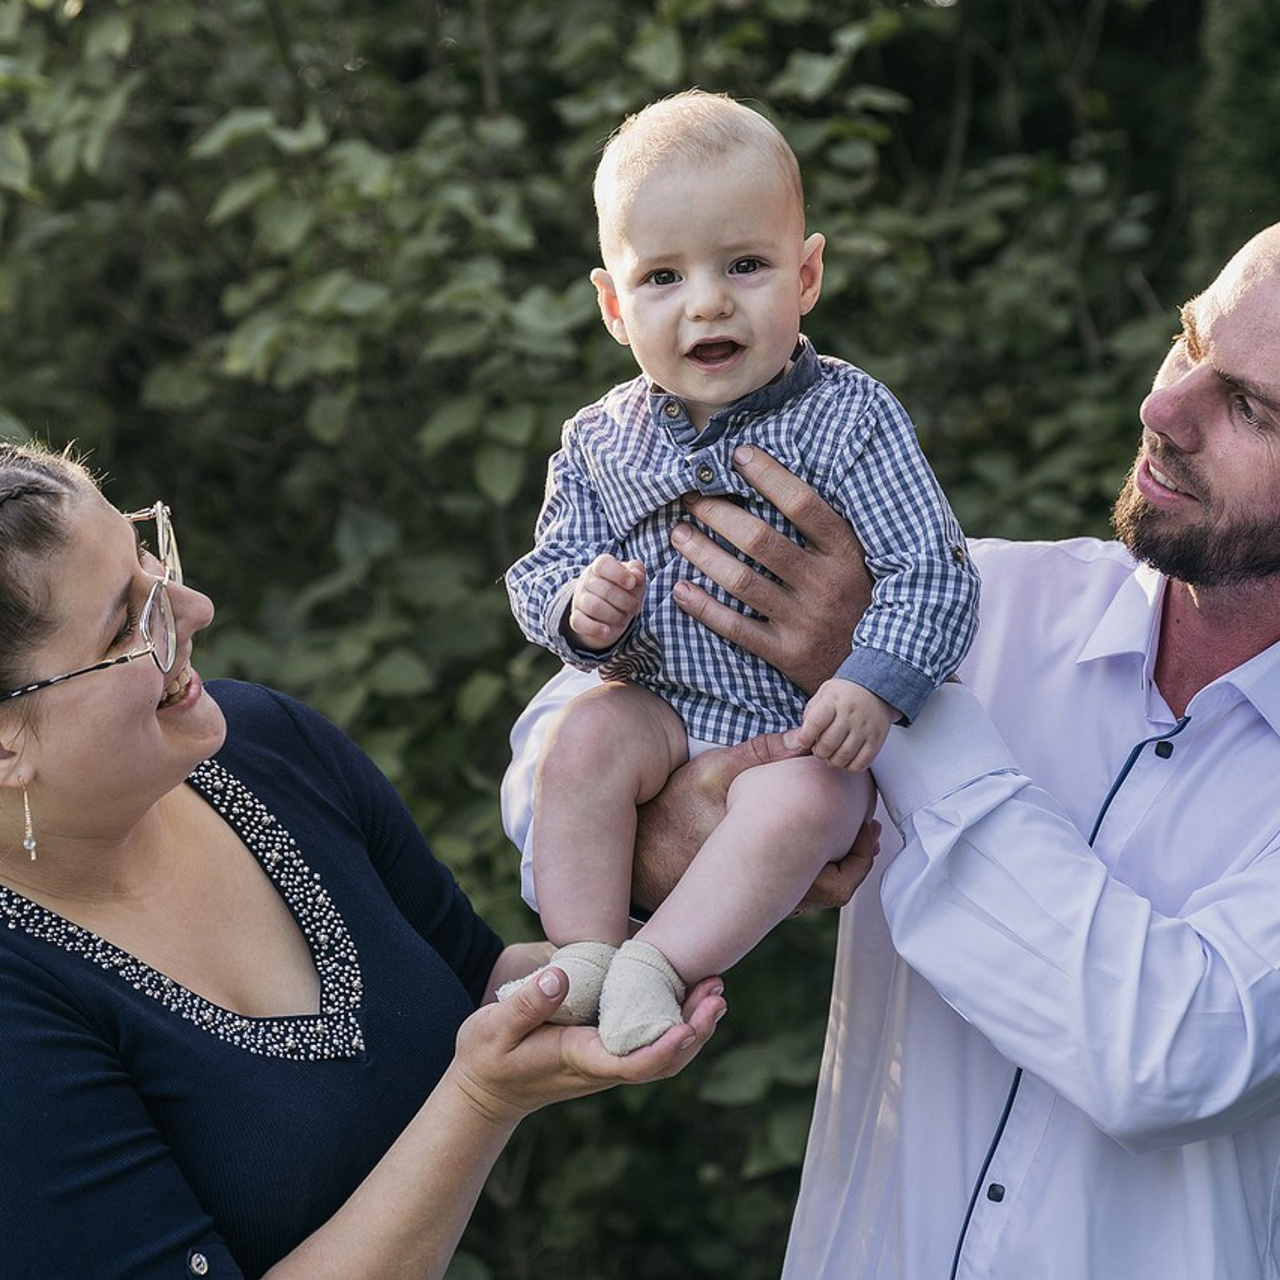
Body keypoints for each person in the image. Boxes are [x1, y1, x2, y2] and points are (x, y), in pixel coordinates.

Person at [505, 219, 1280, 1277]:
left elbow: (1168, 1054)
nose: (1160, 408)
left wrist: (890, 688)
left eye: (1247, 406)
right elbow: (564, 728)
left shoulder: (892, 612)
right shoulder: (991, 596)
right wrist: (663, 828)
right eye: (1188, 342)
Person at [0, 441, 726, 1279]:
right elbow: (480, 1063)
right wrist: (481, 1100)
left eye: (150, 561)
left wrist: (733, 876)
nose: (192, 608)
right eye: (128, 623)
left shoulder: (269, 745)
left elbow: (480, 978)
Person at [503, 89, 978, 1054]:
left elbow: (934, 573)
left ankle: (662, 965)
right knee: (585, 737)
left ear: (805, 276)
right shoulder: (601, 440)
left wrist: (873, 680)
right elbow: (541, 566)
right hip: (665, 708)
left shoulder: (851, 420)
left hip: (799, 727)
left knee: (809, 801)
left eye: (745, 265)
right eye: (664, 277)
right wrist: (578, 609)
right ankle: (586, 952)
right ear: (612, 305)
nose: (709, 301)